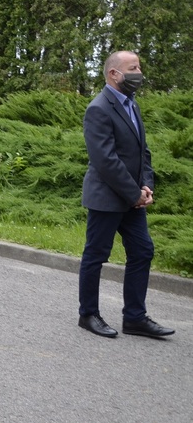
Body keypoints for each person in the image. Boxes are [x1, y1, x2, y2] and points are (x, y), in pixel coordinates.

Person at [77, 51, 175, 339]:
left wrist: (146, 185)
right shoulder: (98, 108)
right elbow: (105, 161)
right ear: (113, 74)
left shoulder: (132, 105)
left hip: (133, 198)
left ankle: (134, 317)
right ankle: (88, 315)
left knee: (143, 251)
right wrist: (134, 193)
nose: (139, 73)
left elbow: (142, 151)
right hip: (107, 199)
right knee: (96, 256)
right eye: (132, 68)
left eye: (139, 67)